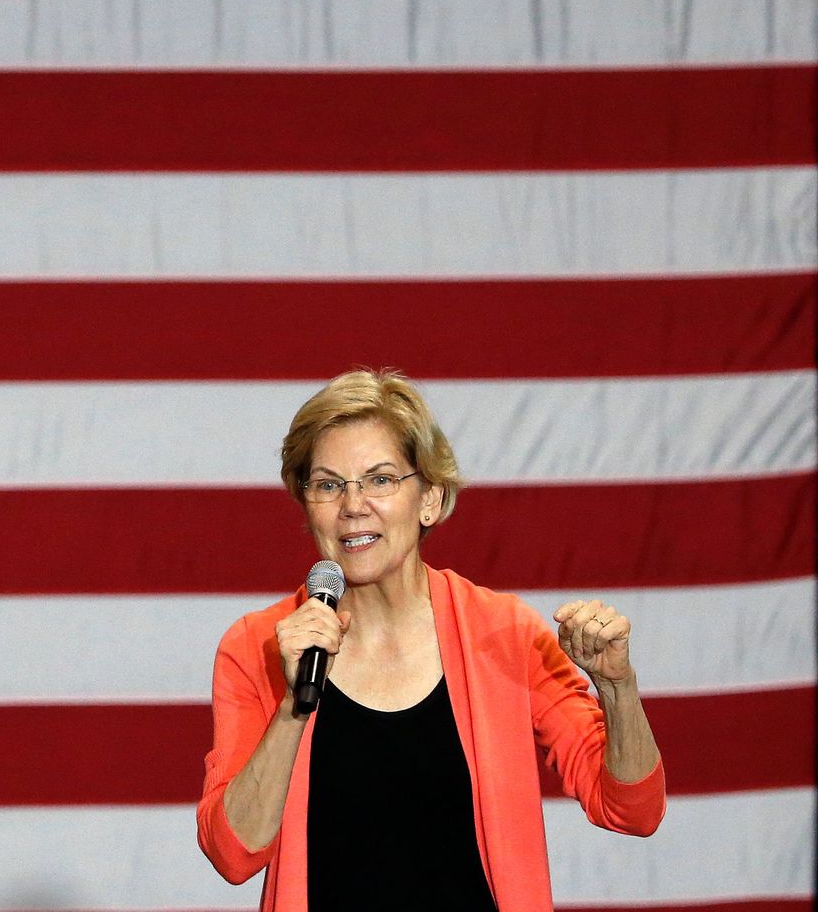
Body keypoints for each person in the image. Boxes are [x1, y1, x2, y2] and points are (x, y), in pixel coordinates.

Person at [195, 369, 663, 911]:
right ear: (307, 506)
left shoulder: (505, 634)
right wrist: (291, 710)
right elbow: (234, 854)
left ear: (430, 501)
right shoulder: (256, 647)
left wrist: (617, 687)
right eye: (327, 484)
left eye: (380, 479)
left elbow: (632, 811)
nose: (352, 504)